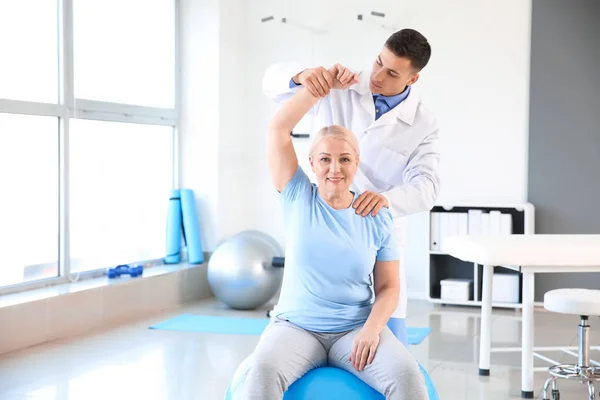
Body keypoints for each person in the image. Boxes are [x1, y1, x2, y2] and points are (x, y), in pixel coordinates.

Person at [241, 68, 428, 400]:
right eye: (325, 159)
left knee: (407, 376)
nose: (335, 168)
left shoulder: (376, 213)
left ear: (357, 163)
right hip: (296, 328)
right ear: (311, 163)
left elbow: (389, 287)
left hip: (355, 329)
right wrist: (316, 87)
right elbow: (278, 128)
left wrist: (372, 331)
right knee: (263, 371)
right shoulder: (297, 195)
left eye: (344, 159)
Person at [262, 28, 440, 339]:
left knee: (390, 332)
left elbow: (427, 187)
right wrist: (306, 76)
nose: (378, 76)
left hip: (375, 223)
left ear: (412, 79)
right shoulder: (343, 84)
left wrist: (386, 200)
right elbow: (271, 85)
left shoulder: (423, 122)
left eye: (392, 73)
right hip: (323, 217)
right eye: (378, 62)